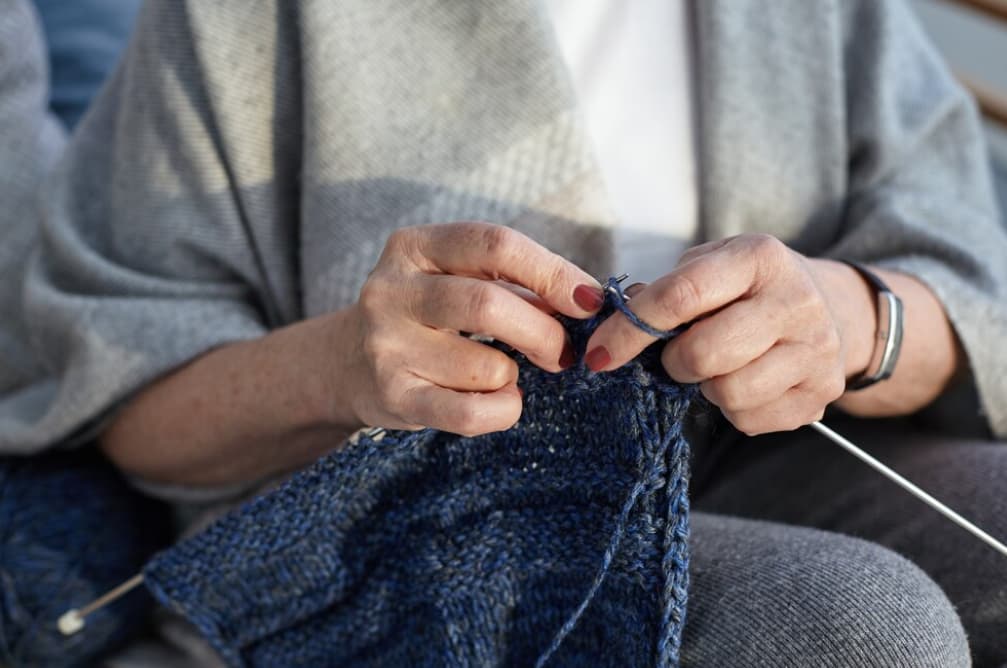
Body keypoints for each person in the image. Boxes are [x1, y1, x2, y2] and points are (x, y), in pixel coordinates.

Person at [3, 0, 1006, 665]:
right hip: (411, 515)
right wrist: (335, 367)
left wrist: (856, 320)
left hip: (765, 453)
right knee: (847, 624)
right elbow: (122, 395)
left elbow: (964, 271)